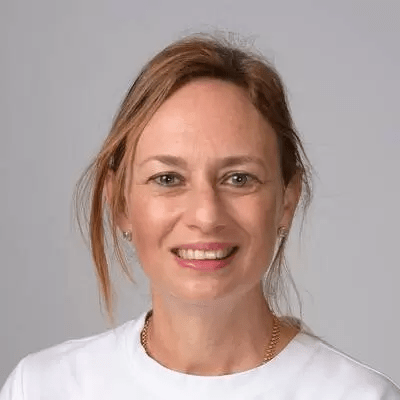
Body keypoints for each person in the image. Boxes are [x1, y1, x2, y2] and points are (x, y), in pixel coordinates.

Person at [1, 33, 399, 400]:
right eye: (168, 178)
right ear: (120, 204)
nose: (206, 216)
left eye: (239, 178)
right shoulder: (41, 388)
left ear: (286, 202)